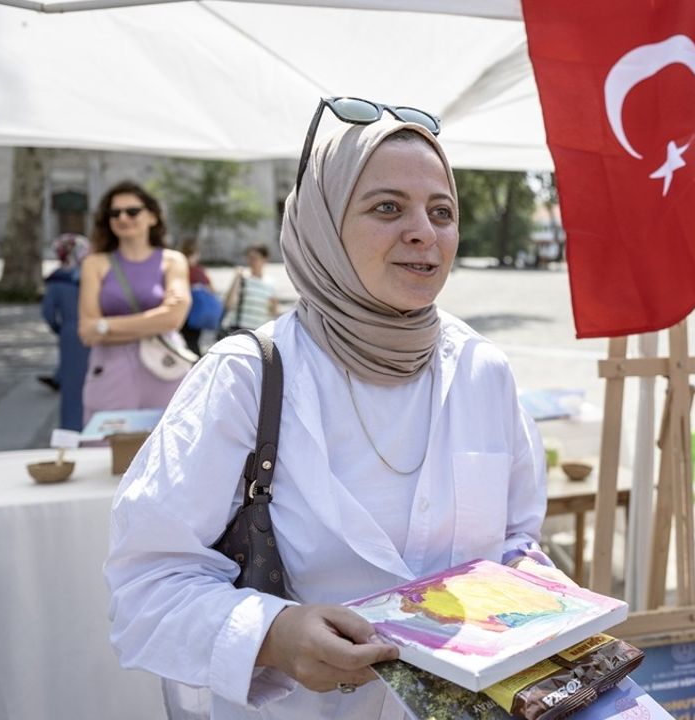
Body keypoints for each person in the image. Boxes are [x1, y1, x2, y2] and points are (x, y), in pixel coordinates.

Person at [105, 106, 554, 719]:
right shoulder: (246, 376)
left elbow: (515, 538)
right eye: (388, 207)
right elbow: (146, 586)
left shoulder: (482, 372)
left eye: (442, 211)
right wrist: (274, 635)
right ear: (321, 226)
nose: (424, 231)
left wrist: (539, 590)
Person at [77, 181, 191, 425]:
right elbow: (87, 331)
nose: (123, 217)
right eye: (114, 213)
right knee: (104, 451)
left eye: (132, 211)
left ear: (153, 216)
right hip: (110, 372)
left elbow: (174, 318)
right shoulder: (94, 263)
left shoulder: (173, 261)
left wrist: (105, 326)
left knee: (170, 450)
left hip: (165, 370)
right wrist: (155, 321)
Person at [40, 233, 91, 431]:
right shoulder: (94, 274)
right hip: (100, 331)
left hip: (71, 334)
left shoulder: (57, 279)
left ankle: (71, 432)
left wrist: (61, 330)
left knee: (72, 389)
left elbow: (48, 313)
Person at [221, 244, 279, 335]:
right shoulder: (242, 278)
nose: (251, 261)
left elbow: (273, 312)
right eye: (249, 258)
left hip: (259, 332)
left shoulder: (270, 283)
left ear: (265, 260)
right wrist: (236, 278)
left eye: (255, 258)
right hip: (239, 330)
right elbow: (228, 303)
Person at [179, 239, 216, 355]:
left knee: (187, 341)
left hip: (185, 312)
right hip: (195, 314)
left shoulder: (180, 267)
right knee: (193, 341)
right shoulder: (199, 270)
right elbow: (212, 290)